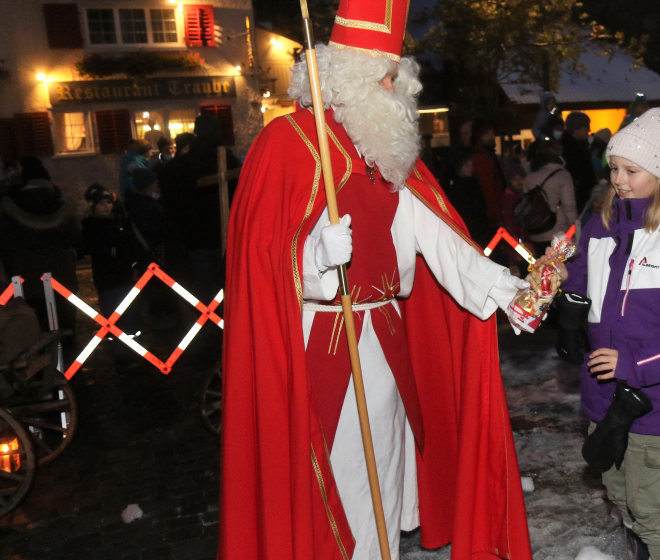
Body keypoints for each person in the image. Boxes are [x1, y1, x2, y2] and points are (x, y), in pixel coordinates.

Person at [220, 2, 534, 558]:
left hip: (385, 338)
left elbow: (438, 240)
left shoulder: (389, 152)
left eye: (397, 78)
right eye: (388, 78)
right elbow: (260, 261)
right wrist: (315, 257)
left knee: (386, 464)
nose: (397, 91)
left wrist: (507, 291)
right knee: (338, 475)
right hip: (321, 344)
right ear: (352, 78)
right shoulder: (288, 143)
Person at [551, 106, 660, 560]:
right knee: (622, 498)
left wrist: (633, 363)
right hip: (602, 398)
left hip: (656, 404)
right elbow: (578, 279)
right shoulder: (600, 228)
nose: (620, 179)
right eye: (614, 168)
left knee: (654, 513)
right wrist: (558, 288)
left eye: (632, 170)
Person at [0, 157, 80, 337]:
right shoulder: (61, 205)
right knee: (64, 332)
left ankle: (41, 363)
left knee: (33, 334)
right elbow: (77, 240)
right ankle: (65, 363)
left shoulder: (10, 210)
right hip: (61, 278)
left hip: (25, 280)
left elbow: (4, 247)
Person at [158, 115, 240, 301]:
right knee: (230, 289)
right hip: (223, 235)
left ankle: (212, 325)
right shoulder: (226, 158)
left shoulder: (184, 164)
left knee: (206, 290)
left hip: (196, 237)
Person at [81, 184, 147, 369]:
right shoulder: (91, 227)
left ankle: (136, 350)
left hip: (126, 279)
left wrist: (134, 266)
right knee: (114, 319)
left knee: (132, 315)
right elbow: (99, 252)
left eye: (108, 202)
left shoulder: (118, 223)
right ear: (93, 206)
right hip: (108, 281)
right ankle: (121, 355)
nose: (107, 206)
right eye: (102, 203)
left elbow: (130, 249)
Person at [523, 137, 577, 254]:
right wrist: (575, 228)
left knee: (543, 267)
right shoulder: (562, 175)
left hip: (536, 231)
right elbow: (569, 206)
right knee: (562, 268)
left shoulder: (529, 176)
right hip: (559, 231)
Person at [443, 155, 494, 248]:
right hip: (465, 228)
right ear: (459, 168)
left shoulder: (475, 183)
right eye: (467, 165)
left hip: (479, 228)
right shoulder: (455, 188)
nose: (470, 168)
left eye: (472, 165)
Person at [471, 122, 506, 224]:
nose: (491, 137)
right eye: (487, 134)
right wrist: (497, 215)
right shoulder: (482, 159)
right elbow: (488, 189)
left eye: (492, 133)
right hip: (491, 216)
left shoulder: (488, 156)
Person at [561, 111, 596, 210]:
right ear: (576, 128)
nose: (589, 130)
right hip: (577, 198)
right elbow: (582, 176)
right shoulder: (571, 149)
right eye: (586, 126)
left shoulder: (579, 146)